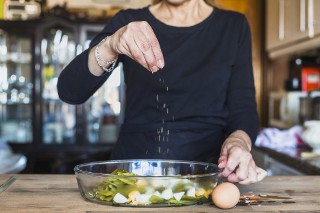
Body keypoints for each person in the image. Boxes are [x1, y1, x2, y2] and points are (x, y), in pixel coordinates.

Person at [57, 0, 267, 184]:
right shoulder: (129, 21)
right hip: (134, 174)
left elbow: (243, 108)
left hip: (207, 174)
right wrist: (111, 45)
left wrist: (238, 142)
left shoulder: (233, 25)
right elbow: (70, 91)